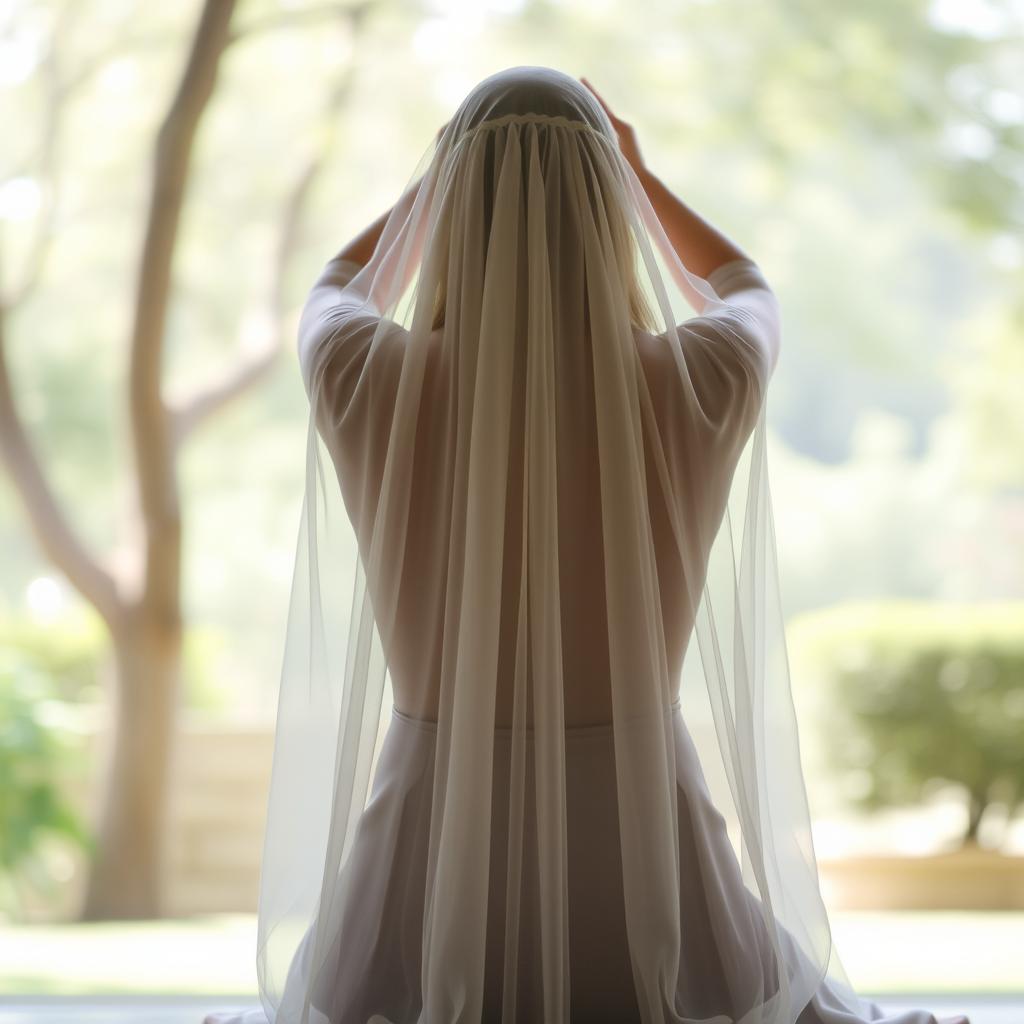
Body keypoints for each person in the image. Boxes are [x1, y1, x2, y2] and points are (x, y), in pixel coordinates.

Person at [205, 66, 970, 1024]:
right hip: (644, 835)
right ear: (614, 213)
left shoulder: (369, 379)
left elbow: (332, 285)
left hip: (430, 837)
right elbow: (745, 284)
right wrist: (638, 173)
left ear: (444, 210)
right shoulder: (703, 378)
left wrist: (439, 180)